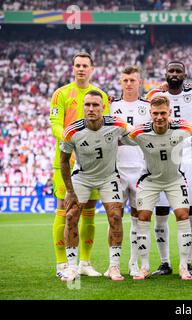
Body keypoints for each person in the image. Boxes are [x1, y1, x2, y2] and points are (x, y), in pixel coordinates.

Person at [145, 61, 192, 277]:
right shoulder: (154, 94)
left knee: (191, 211)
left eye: (178, 71)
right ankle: (165, 263)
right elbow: (140, 109)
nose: (174, 74)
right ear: (165, 73)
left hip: (187, 156)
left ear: (185, 74)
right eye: (171, 71)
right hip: (162, 157)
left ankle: (189, 262)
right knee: (162, 212)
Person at [59, 90, 132, 282]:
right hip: (82, 177)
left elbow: (137, 134)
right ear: (83, 107)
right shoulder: (71, 131)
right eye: (87, 105)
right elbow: (64, 161)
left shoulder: (117, 124)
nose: (91, 109)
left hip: (109, 177)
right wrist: (70, 191)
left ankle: (114, 267)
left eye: (95, 105)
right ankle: (72, 268)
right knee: (70, 217)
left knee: (116, 217)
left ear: (103, 107)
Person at [49, 52, 109, 278]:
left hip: (92, 163)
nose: (81, 69)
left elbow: (105, 126)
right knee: (64, 210)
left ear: (92, 68)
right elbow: (54, 122)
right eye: (77, 65)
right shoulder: (61, 94)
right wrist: (70, 139)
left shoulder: (100, 95)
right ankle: (62, 263)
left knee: (89, 213)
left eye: (85, 65)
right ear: (72, 68)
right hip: (65, 161)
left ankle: (84, 262)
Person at [123, 96, 192, 281]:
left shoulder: (182, 128)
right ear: (150, 114)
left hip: (174, 180)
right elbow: (118, 138)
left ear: (169, 112)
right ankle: (145, 267)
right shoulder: (139, 132)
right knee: (143, 217)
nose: (159, 117)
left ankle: (183, 267)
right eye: (155, 113)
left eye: (163, 113)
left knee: (183, 216)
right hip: (150, 181)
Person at [109, 66, 151, 277]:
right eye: (125, 80)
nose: (128, 83)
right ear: (120, 81)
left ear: (139, 82)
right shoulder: (111, 105)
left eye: (132, 80)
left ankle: (134, 263)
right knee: (115, 217)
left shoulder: (148, 106)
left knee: (139, 218)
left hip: (141, 169)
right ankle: (113, 264)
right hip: (117, 170)